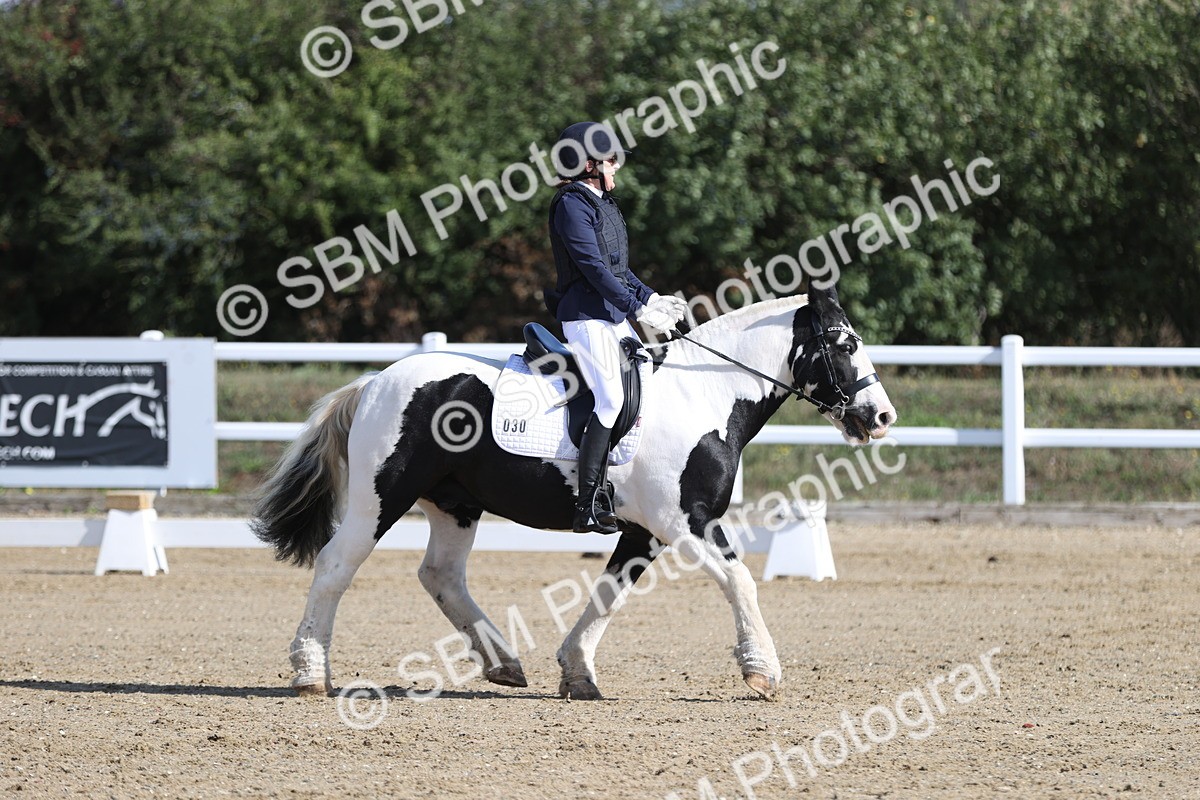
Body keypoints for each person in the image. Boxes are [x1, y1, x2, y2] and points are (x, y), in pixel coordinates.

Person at [545, 121, 687, 534]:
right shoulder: (571, 205)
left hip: (611, 316)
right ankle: (586, 501)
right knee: (609, 400)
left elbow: (618, 270)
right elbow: (591, 268)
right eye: (610, 161)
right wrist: (635, 309)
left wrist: (651, 298)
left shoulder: (601, 204)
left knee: (645, 384)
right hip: (587, 319)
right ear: (588, 164)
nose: (616, 168)